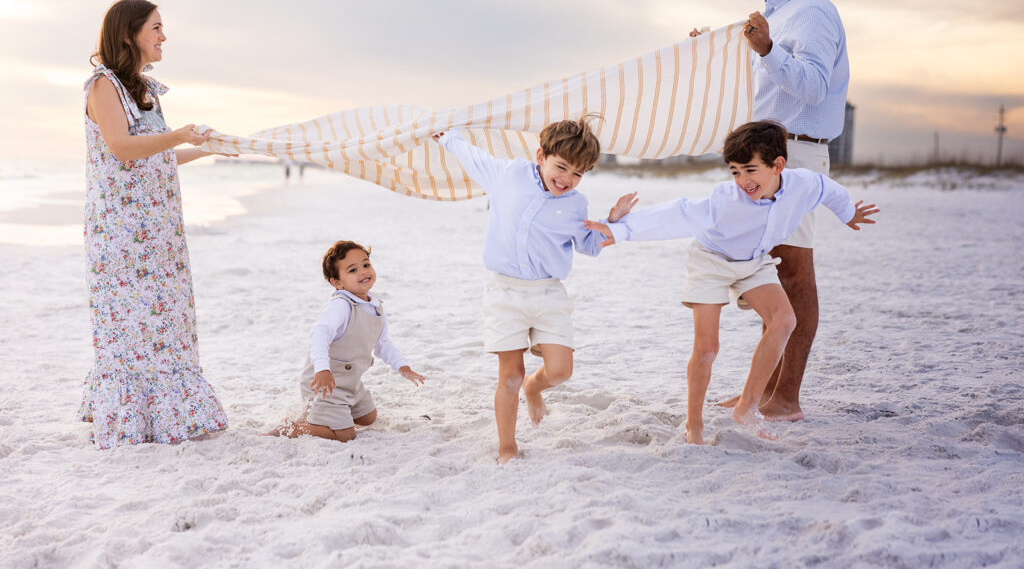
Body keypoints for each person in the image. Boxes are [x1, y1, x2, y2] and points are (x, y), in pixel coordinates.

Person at [585, 121, 877, 444]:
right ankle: (694, 424)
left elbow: (829, 189)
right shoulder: (725, 200)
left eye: (750, 170)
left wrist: (848, 212)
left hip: (753, 261)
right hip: (711, 260)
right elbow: (677, 215)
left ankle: (747, 408)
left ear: (778, 165)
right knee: (708, 348)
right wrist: (620, 228)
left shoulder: (802, 186)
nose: (742, 181)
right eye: (735, 172)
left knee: (785, 320)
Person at [691, 0, 850, 422]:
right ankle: (762, 391)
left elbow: (813, 87)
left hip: (796, 154)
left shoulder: (815, 13)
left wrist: (766, 48)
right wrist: (718, 54)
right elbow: (761, 82)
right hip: (768, 156)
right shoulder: (777, 15)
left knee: (795, 275)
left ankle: (786, 397)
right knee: (771, 274)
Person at [433, 118, 636, 463]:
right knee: (510, 376)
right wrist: (448, 137)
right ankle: (507, 446)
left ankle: (535, 387)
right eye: (561, 167)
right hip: (504, 293)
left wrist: (613, 221)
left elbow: (588, 245)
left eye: (577, 174)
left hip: (548, 293)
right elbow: (472, 157)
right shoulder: (508, 175)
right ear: (541, 156)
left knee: (561, 371)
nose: (566, 179)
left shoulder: (575, 203)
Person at [79, 0, 228, 448]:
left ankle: (167, 416)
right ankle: (131, 419)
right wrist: (181, 133)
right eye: (156, 28)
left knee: (168, 323)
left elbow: (156, 156)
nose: (164, 37)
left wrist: (209, 148)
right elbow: (123, 148)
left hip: (160, 232)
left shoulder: (143, 88)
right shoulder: (103, 86)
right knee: (132, 327)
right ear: (130, 34)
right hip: (123, 234)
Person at [266, 240, 425, 442]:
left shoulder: (374, 305)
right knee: (345, 435)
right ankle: (292, 428)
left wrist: (403, 366)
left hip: (351, 383)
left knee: (368, 418)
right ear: (337, 283)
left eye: (366, 264)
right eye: (352, 270)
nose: (363, 272)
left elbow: (383, 342)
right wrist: (322, 369)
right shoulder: (342, 306)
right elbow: (319, 335)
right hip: (326, 383)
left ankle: (321, 415)